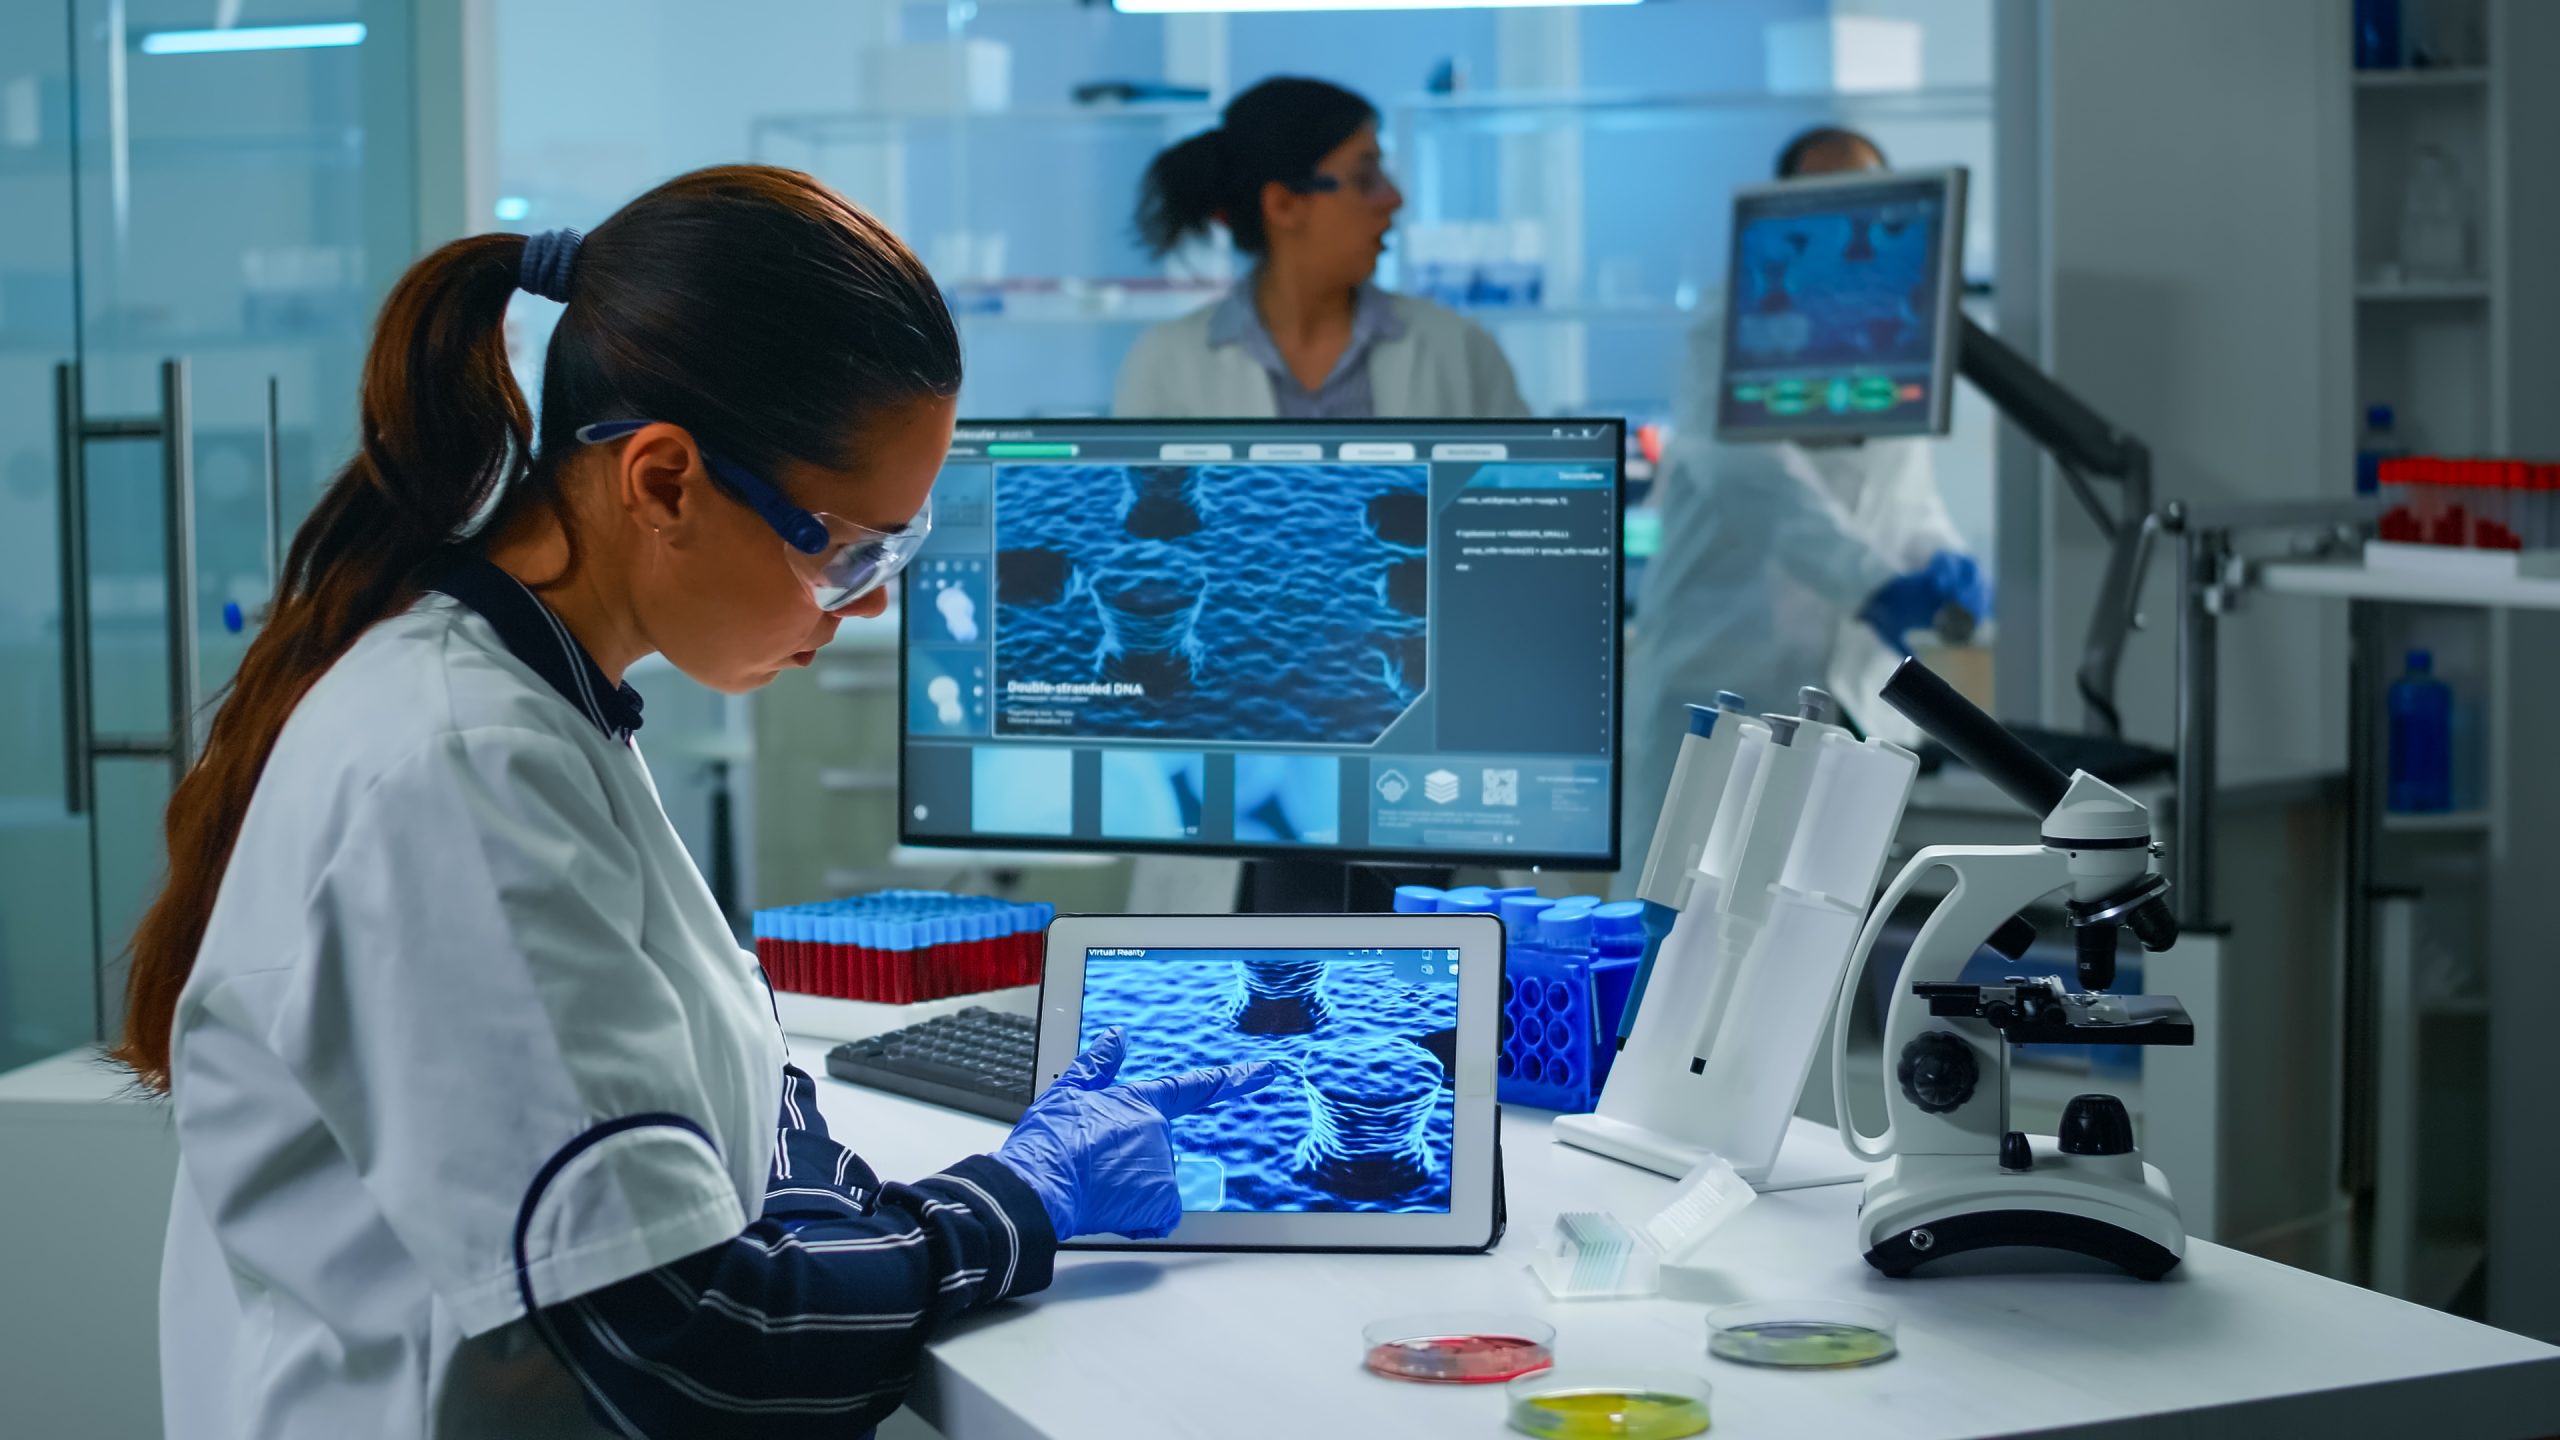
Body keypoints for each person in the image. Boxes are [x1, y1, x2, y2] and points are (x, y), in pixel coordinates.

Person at [124, 166, 1272, 1439]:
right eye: (846, 548)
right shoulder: (459, 765)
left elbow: (738, 1109)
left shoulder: (547, 709)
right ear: (664, 482)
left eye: (896, 550)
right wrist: (1019, 1203)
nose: (868, 606)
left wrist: (868, 1205)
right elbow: (703, 1350)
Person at [1620, 127, 1989, 884]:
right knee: (1678, 918)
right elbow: (1751, 475)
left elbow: (1903, 495)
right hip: (1727, 686)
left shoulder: (1895, 327)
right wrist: (1870, 585)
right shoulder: (1732, 323)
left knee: (1829, 929)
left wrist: (1944, 562)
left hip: (1856, 701)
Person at [1114, 75, 1529, 420]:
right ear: (1284, 205)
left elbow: (1522, 488)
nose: (1394, 198)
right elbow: (1144, 496)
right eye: (1365, 179)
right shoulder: (1166, 363)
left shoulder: (1458, 349)